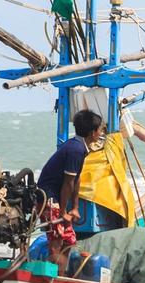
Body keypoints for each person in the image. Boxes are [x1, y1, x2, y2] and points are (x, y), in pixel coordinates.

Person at [37, 109, 104, 272]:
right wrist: (62, 213)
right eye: (100, 129)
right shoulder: (75, 150)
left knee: (68, 239)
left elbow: (76, 178)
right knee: (56, 242)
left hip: (58, 199)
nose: (102, 132)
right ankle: (53, 281)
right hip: (49, 198)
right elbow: (68, 183)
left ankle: (61, 276)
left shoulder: (79, 147)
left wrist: (74, 207)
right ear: (93, 132)